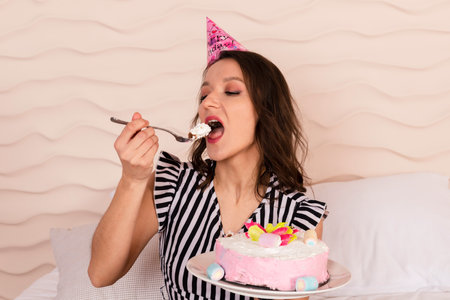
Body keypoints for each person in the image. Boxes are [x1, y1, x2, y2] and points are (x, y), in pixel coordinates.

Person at [88, 19, 327, 300]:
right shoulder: (172, 184)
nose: (207, 103)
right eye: (204, 94)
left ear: (266, 112)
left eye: (231, 91)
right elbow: (100, 274)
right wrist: (132, 179)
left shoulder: (298, 214)